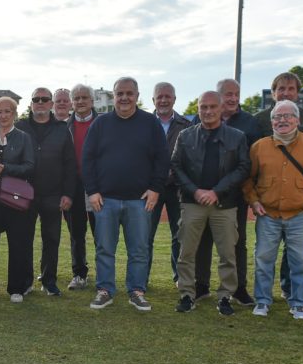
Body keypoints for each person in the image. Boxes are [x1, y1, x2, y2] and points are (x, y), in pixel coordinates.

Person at [243, 100, 303, 320]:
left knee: (300, 262)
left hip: (300, 215)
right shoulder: (259, 147)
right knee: (263, 259)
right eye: (277, 117)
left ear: (297, 120)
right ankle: (262, 300)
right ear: (271, 122)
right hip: (268, 214)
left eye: (287, 116)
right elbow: (248, 179)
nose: (282, 120)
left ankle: (297, 303)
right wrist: (254, 201)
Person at [81, 77, 168, 311]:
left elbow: (162, 159)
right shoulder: (100, 124)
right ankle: (105, 290)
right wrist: (92, 191)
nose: (125, 98)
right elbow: (87, 159)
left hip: (139, 201)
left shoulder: (150, 123)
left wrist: (155, 189)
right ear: (114, 95)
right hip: (105, 200)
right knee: (104, 249)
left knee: (139, 250)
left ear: (137, 96)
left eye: (129, 93)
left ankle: (136, 291)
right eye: (120, 93)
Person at [170, 91, 250, 316]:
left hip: (224, 203)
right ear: (198, 108)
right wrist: (195, 191)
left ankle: (225, 296)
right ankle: (187, 293)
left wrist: (216, 191)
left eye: (213, 106)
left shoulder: (237, 136)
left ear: (221, 108)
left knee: (227, 254)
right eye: (203, 107)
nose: (208, 111)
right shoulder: (185, 136)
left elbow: (243, 167)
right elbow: (176, 166)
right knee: (186, 252)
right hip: (192, 202)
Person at [195, 78, 261, 305]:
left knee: (236, 242)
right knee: (203, 240)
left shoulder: (249, 123)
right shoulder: (199, 119)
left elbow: (250, 162)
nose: (233, 98)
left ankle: (238, 287)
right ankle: (201, 285)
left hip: (234, 194)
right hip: (203, 194)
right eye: (227, 94)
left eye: (236, 94)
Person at [16, 86, 76, 296]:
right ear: (31, 104)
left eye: (44, 99)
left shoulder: (62, 129)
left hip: (53, 193)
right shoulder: (20, 127)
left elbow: (70, 164)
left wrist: (68, 193)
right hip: (25, 193)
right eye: (36, 99)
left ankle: (49, 281)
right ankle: (26, 282)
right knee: (24, 239)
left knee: (51, 239)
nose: (40, 103)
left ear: (51, 103)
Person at [0, 96, 35, 302]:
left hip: (15, 199)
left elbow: (30, 166)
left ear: (14, 114)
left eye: (7, 111)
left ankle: (16, 288)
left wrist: (6, 169)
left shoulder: (23, 137)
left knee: (17, 244)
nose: (3, 115)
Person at [147, 81, 192, 287]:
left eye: (167, 96)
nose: (163, 100)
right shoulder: (144, 124)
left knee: (179, 234)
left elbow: (189, 158)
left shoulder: (186, 125)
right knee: (145, 236)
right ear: (153, 100)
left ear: (174, 99)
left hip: (177, 189)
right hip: (149, 189)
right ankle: (141, 278)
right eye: (160, 97)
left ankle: (179, 277)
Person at [65, 83, 98, 290]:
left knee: (101, 233)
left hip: (98, 186)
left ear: (92, 101)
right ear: (72, 102)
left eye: (84, 97)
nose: (80, 101)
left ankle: (104, 275)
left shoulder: (103, 123)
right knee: (76, 234)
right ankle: (79, 274)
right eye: (76, 98)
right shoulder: (64, 126)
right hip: (73, 186)